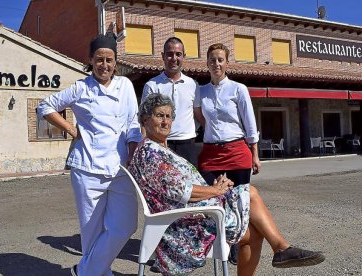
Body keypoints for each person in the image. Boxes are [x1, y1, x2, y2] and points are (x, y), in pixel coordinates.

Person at [130, 93, 325, 276]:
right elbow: (180, 191)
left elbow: (179, 186)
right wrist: (215, 190)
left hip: (192, 212)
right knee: (251, 201)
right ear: (145, 120)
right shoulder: (150, 153)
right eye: (159, 116)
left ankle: (281, 248)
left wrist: (215, 187)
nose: (165, 121)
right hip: (183, 223)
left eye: (168, 116)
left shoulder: (158, 149)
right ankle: (282, 248)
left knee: (251, 207)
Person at [194, 43, 325, 270]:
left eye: (220, 59)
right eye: (212, 60)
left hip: (237, 152)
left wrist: (255, 154)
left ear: (227, 63)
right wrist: (214, 133)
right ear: (207, 63)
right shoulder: (200, 91)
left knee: (242, 203)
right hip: (211, 154)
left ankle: (240, 247)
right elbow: (199, 117)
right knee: (218, 200)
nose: (216, 64)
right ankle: (245, 242)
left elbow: (250, 123)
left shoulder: (238, 89)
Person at [37, 33, 142, 276]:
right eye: (99, 60)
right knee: (91, 231)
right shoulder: (81, 88)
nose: (104, 65)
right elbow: (45, 106)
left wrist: (135, 149)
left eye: (109, 60)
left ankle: (84, 272)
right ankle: (100, 272)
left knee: (126, 225)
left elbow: (132, 123)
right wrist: (72, 130)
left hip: (120, 168)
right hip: (87, 169)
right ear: (90, 60)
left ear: (116, 62)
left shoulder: (125, 85)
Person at [141, 37, 199, 166]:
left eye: (178, 54)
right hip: (160, 144)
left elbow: (198, 114)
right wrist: (144, 145)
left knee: (192, 184)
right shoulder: (152, 85)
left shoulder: (193, 85)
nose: (174, 58)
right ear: (163, 56)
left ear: (184, 56)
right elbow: (145, 120)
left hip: (187, 145)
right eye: (169, 54)